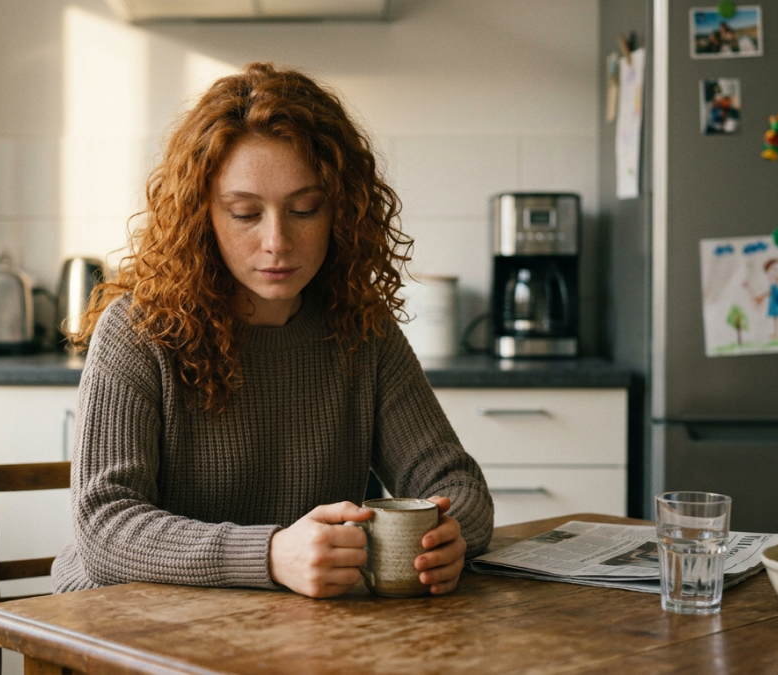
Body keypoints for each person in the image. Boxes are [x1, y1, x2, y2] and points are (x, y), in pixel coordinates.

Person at [50, 62, 494, 599]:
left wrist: (451, 537)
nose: (278, 241)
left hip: (292, 628)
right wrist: (271, 553)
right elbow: (103, 529)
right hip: (127, 624)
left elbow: (456, 484)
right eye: (244, 214)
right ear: (200, 216)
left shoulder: (362, 330)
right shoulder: (139, 331)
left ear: (342, 212)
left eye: (305, 209)